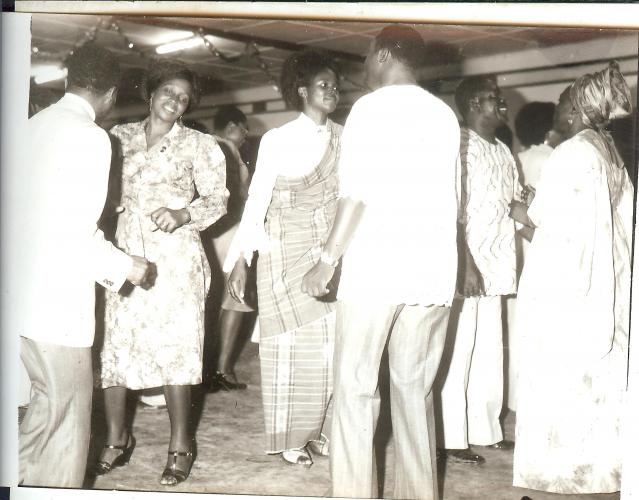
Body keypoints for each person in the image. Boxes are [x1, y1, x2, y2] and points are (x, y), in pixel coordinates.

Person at [302, 25, 460, 499]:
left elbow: (356, 196)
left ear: (386, 55)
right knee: (415, 394)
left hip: (378, 269)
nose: (364, 66)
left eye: (369, 56)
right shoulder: (444, 114)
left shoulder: (370, 109)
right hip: (432, 272)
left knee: (354, 392)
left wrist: (327, 260)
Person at [18, 42, 152, 488]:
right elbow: (75, 229)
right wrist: (127, 266)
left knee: (43, 414)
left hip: (20, 295)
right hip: (57, 303)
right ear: (111, 94)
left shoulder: (32, 125)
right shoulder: (92, 136)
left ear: (68, 78)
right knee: (67, 426)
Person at [96, 62, 228, 486]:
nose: (174, 100)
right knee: (117, 346)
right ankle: (117, 438)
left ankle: (181, 445)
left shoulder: (201, 145)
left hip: (176, 260)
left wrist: (182, 212)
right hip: (124, 254)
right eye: (168, 91)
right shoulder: (117, 138)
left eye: (183, 97)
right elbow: (99, 189)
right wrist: (109, 206)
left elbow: (219, 200)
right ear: (151, 93)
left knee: (176, 350)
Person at [509, 61, 633, 494]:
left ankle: (564, 475)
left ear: (578, 111)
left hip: (569, 284)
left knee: (561, 377)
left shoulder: (572, 152)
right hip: (608, 280)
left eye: (563, 103)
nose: (557, 110)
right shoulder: (608, 150)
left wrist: (523, 213)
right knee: (601, 379)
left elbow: (555, 227)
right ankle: (605, 472)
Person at [226, 50, 342, 467]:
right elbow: (257, 201)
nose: (332, 90)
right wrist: (241, 258)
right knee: (291, 350)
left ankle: (325, 431)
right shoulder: (277, 138)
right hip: (281, 253)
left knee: (331, 349)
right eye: (323, 84)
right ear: (302, 90)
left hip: (329, 255)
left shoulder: (345, 138)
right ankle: (293, 437)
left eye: (334, 84)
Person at [436, 75, 519, 464]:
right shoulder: (459, 147)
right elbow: (451, 214)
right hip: (467, 264)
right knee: (459, 350)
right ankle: (452, 437)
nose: (501, 104)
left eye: (499, 98)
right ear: (472, 105)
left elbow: (513, 205)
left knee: (489, 350)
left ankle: (485, 430)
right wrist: (464, 265)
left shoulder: (502, 150)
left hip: (498, 264)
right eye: (492, 98)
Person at [505, 101, 557, 412]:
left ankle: (515, 400)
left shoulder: (517, 158)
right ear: (550, 130)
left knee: (516, 329)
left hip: (516, 250)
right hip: (543, 249)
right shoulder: (552, 159)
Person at [207, 105, 254, 392]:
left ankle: (206, 369)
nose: (246, 134)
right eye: (242, 127)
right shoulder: (228, 151)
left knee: (211, 300)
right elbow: (240, 199)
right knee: (236, 297)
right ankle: (222, 369)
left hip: (205, 233)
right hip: (230, 231)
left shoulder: (202, 144)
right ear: (230, 127)